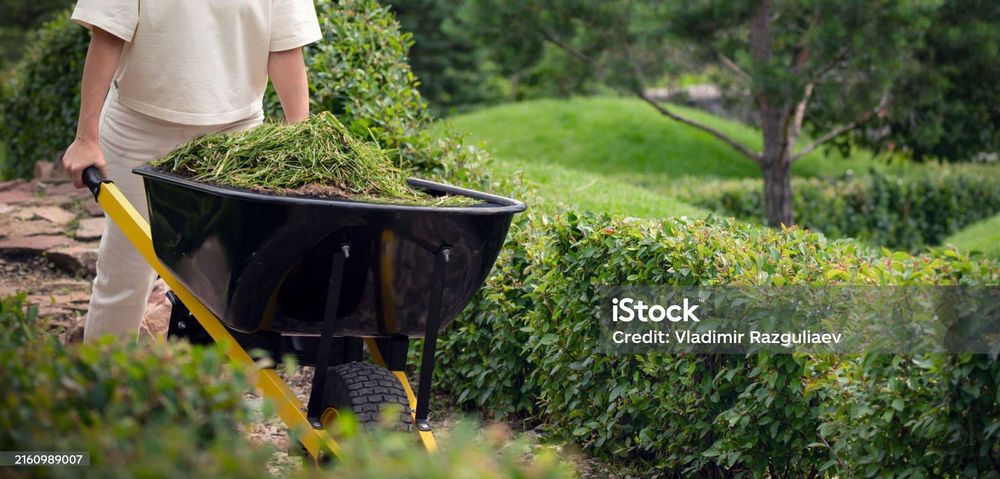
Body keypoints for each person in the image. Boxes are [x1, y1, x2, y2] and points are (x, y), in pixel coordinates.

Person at [61, 0, 322, 342]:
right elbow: (108, 33)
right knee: (124, 272)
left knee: (222, 277)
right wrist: (85, 137)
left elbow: (285, 46)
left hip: (233, 138)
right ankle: (106, 385)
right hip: (138, 131)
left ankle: (204, 391)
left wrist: (300, 139)